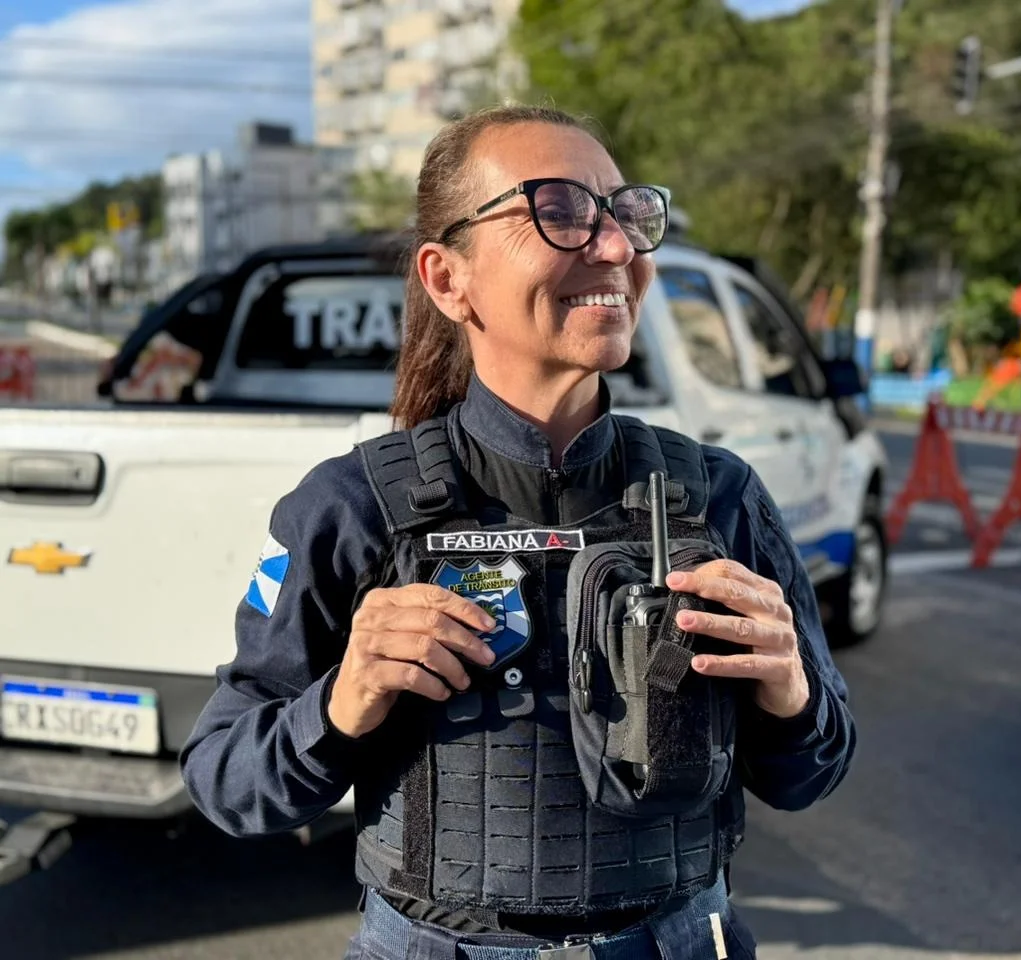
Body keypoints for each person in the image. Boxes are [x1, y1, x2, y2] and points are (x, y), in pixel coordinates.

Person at [180, 103, 856, 960]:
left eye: (624, 215)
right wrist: (341, 702)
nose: (615, 248)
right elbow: (224, 778)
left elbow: (814, 771)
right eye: (561, 211)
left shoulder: (718, 496)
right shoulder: (350, 508)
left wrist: (789, 692)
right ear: (446, 278)